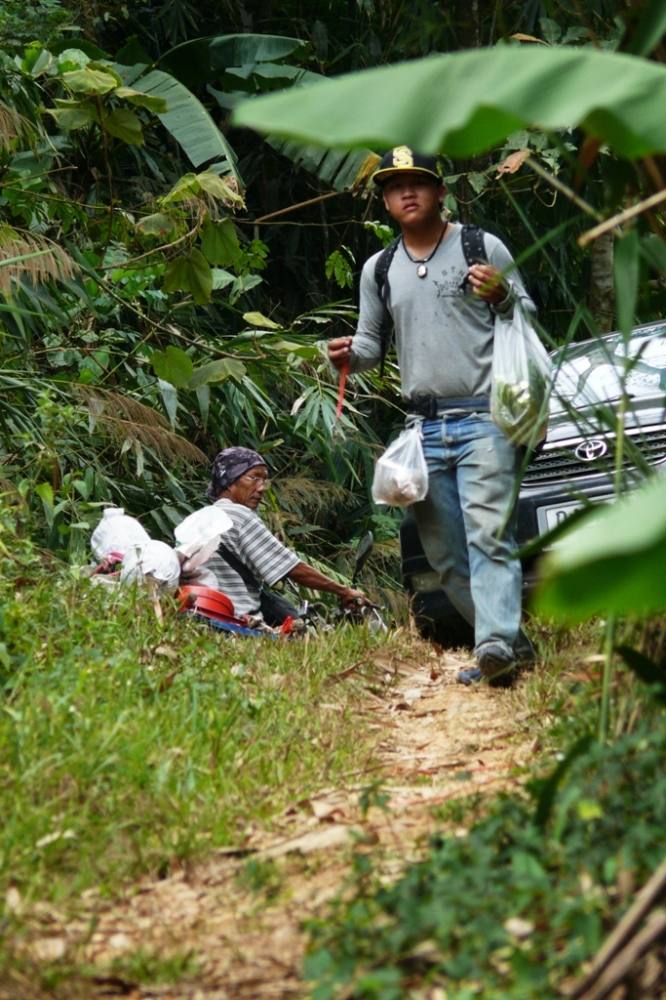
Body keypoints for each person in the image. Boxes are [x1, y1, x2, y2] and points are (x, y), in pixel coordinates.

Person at [328, 145, 536, 686]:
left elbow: (525, 311)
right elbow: (373, 345)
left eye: (418, 182)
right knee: (444, 558)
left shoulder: (478, 245)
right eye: (396, 187)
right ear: (386, 202)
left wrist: (503, 293)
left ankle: (490, 644)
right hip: (424, 429)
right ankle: (512, 648)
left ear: (440, 191)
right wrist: (349, 355)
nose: (408, 192)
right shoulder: (380, 269)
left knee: (489, 536)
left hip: (485, 417)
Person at [182, 446, 368, 624]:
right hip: (235, 614)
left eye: (264, 480)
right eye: (253, 478)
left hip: (198, 609)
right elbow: (292, 568)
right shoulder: (239, 515)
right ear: (229, 482)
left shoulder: (197, 519)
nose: (262, 487)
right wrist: (343, 591)